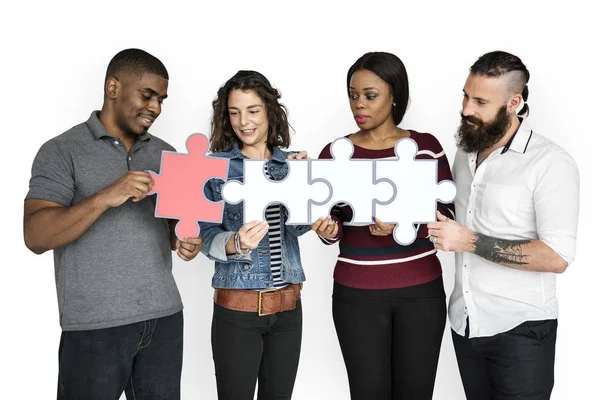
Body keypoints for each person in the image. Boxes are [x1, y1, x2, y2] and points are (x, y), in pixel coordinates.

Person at [23, 48, 202, 400]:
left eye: (162, 100)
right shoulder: (61, 151)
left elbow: (173, 227)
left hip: (164, 320)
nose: (155, 108)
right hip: (93, 329)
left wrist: (183, 240)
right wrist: (106, 196)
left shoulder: (168, 154)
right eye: (147, 95)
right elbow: (35, 235)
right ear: (113, 87)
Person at [427, 50, 580, 399]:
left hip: (521, 332)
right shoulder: (464, 154)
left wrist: (468, 241)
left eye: (480, 101)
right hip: (464, 325)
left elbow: (556, 257)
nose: (467, 109)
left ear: (514, 102)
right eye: (465, 96)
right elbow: (449, 221)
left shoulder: (550, 163)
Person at [313, 51, 455, 400]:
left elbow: (448, 219)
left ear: (395, 96)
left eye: (370, 95)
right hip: (356, 293)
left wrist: (404, 226)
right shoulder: (334, 153)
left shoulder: (426, 149)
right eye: (352, 94)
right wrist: (329, 232)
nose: (358, 104)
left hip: (420, 291)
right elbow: (332, 221)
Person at [199, 70, 310, 400]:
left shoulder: (293, 164)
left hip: (289, 310)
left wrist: (320, 218)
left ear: (269, 111)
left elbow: (300, 228)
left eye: (252, 111)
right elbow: (205, 235)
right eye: (234, 112)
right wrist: (235, 243)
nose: (243, 121)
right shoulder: (214, 168)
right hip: (238, 312)